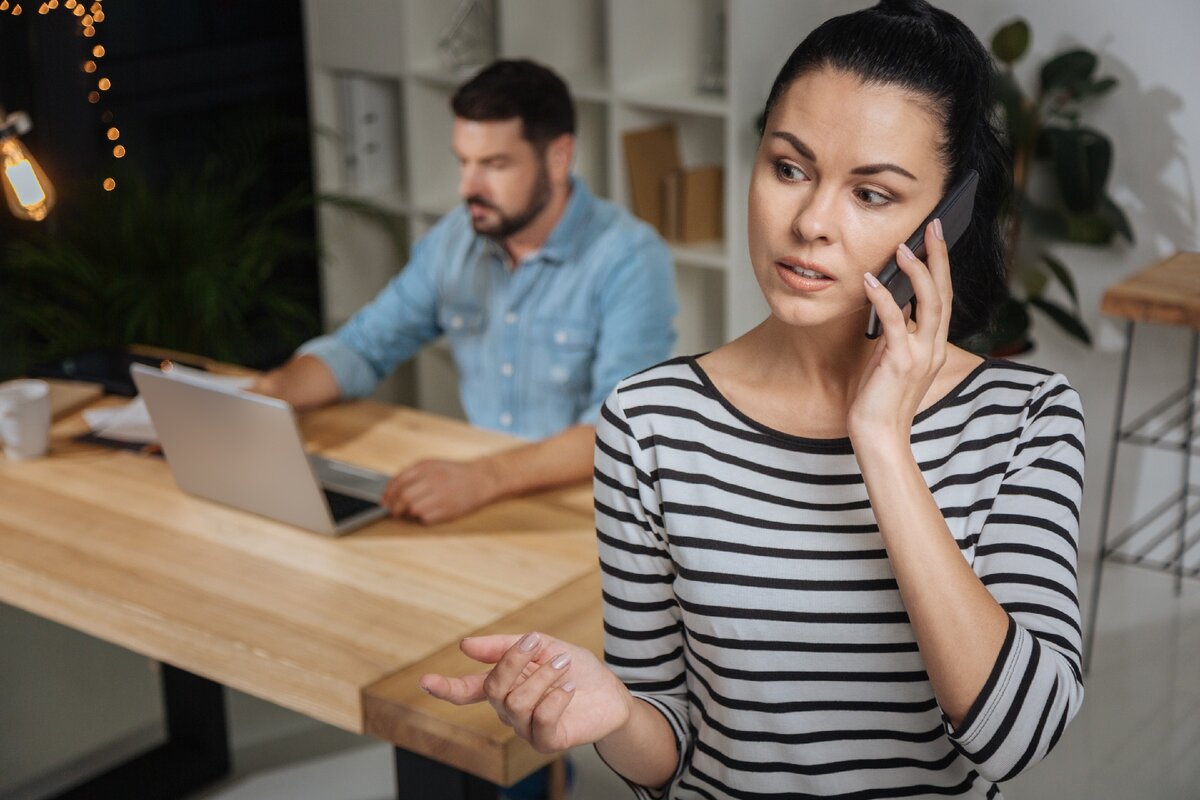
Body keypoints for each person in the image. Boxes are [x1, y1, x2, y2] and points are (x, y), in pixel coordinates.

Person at [418, 2, 1086, 797]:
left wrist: (881, 442)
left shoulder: (1026, 419)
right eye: (790, 168)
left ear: (949, 216)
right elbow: (665, 750)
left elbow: (1020, 736)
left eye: (871, 195)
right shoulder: (649, 422)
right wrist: (614, 717)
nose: (809, 223)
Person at [254, 59, 677, 524]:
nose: (468, 187)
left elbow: (618, 431)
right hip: (480, 494)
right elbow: (362, 348)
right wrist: (269, 394)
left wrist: (482, 479)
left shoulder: (629, 258)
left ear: (558, 158)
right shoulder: (455, 239)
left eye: (494, 165)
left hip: (577, 508)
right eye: (464, 161)